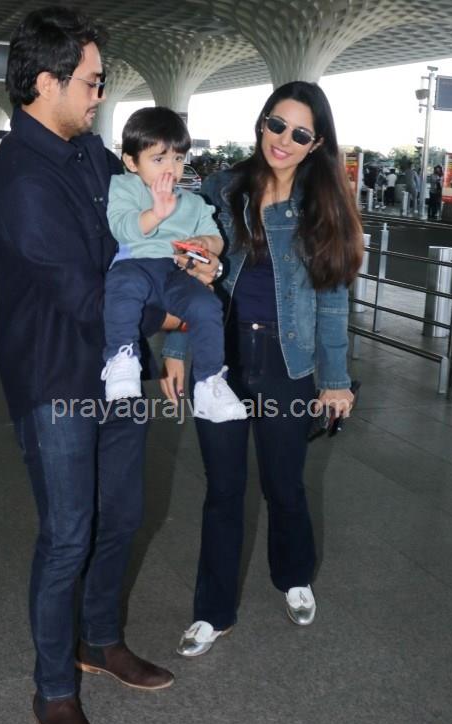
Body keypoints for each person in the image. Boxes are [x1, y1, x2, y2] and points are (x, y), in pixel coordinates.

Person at [0, 7, 175, 724]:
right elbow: (88, 297)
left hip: (117, 368)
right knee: (68, 534)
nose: (101, 95)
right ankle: (53, 690)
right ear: (46, 82)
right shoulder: (22, 178)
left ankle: (98, 640)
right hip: (58, 376)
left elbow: (133, 241)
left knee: (120, 515)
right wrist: (172, 314)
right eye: (92, 82)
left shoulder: (89, 153)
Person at [160, 81, 362, 657]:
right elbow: (186, 275)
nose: (283, 139)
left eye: (300, 133)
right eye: (277, 124)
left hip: (287, 362)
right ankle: (212, 611)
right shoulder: (222, 189)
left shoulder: (323, 205)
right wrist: (175, 350)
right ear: (262, 122)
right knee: (223, 490)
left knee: (284, 484)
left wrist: (335, 381)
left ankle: (293, 576)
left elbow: (332, 300)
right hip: (218, 357)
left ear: (316, 143)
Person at [102, 106, 247, 422]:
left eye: (178, 159)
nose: (171, 169)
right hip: (135, 264)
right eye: (158, 159)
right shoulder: (125, 187)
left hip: (175, 271)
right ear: (131, 162)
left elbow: (217, 239)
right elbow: (121, 228)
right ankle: (122, 358)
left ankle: (209, 382)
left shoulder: (193, 202)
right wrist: (156, 213)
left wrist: (205, 244)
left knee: (206, 305)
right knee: (122, 289)